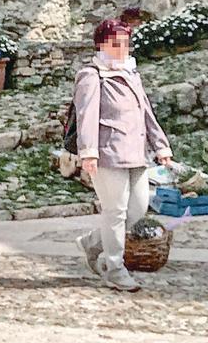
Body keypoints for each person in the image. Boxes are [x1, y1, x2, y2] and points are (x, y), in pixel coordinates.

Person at [73, 16, 173, 293]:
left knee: (138, 210)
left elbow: (146, 112)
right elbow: (86, 115)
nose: (122, 49)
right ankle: (115, 269)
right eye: (115, 44)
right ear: (101, 45)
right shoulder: (92, 76)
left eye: (126, 43)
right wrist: (89, 152)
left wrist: (161, 146)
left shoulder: (131, 73)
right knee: (115, 212)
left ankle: (92, 242)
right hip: (107, 154)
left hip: (137, 153)